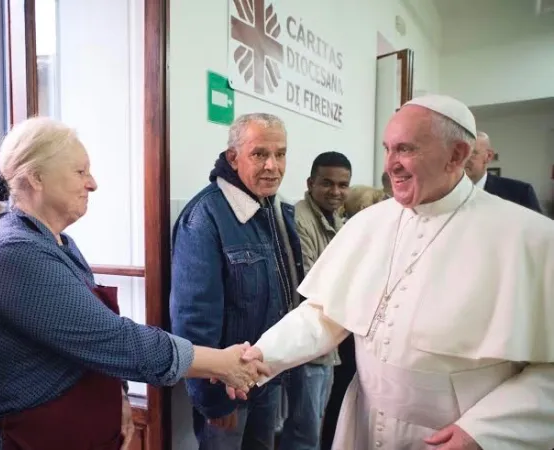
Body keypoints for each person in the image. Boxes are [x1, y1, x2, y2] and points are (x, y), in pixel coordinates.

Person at [229, 95, 554, 449]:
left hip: (452, 436)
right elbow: (324, 315)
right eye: (388, 149)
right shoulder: (369, 223)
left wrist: (483, 432)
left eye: (406, 149)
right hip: (365, 425)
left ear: (457, 154)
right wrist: (264, 354)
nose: (391, 165)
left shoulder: (530, 238)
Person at [0, 117, 268, 450]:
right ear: (36, 177)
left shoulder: (60, 243)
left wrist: (117, 394)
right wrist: (220, 363)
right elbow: (113, 339)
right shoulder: (11, 252)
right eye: (80, 172)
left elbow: (89, 343)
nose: (93, 183)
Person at [170, 113, 304, 450]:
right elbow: (193, 318)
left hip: (265, 377)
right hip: (227, 387)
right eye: (259, 154)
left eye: (280, 154)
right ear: (233, 158)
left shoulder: (275, 209)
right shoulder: (206, 216)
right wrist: (214, 400)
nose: (273, 166)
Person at [281, 151, 350, 450]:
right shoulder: (300, 219)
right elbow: (310, 285)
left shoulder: (339, 219)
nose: (336, 191)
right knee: (303, 435)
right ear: (310, 183)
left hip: (328, 344)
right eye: (327, 183)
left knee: (316, 427)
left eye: (343, 184)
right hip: (307, 344)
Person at [465, 131, 542, 213]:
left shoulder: (520, 193)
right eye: (457, 153)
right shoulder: (450, 192)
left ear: (488, 156)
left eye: (472, 153)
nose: (463, 159)